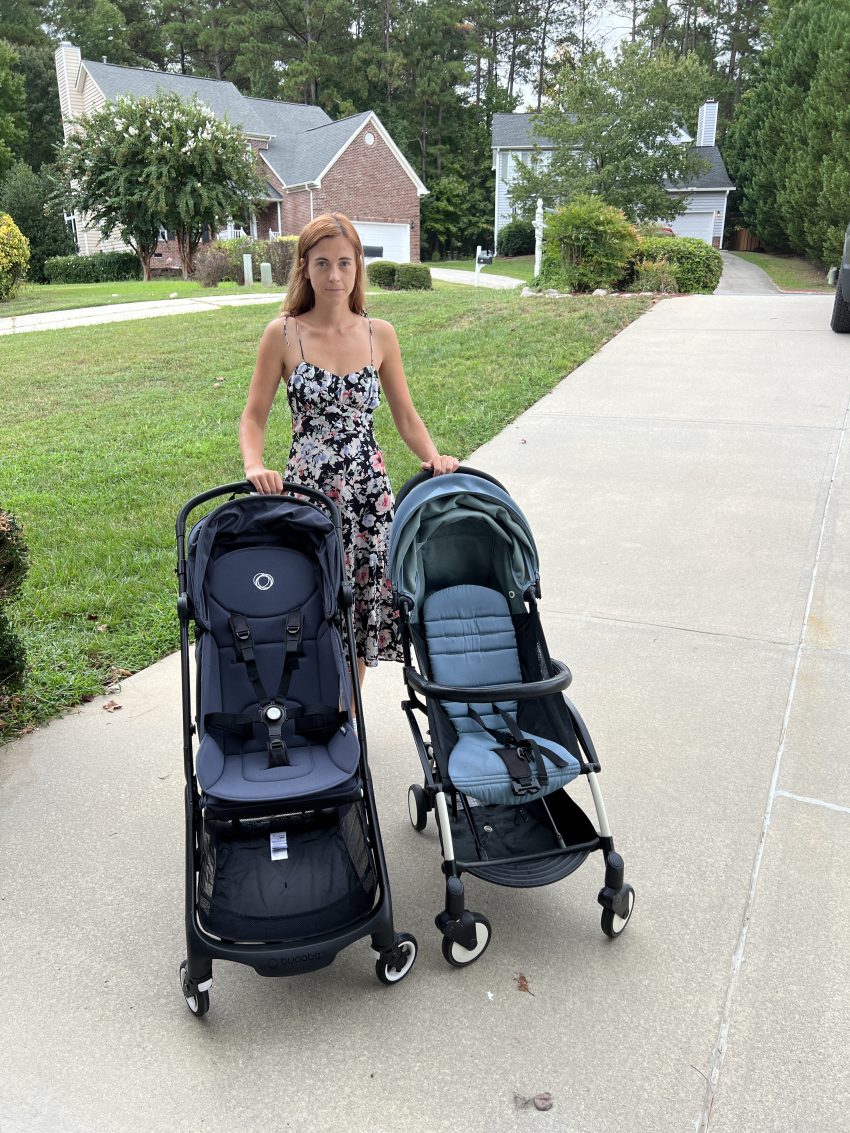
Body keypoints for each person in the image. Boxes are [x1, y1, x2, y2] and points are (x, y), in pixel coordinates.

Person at [239, 211, 459, 687]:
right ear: (305, 268)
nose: (333, 275)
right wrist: (255, 463)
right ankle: (309, 707)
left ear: (358, 266)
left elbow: (405, 416)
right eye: (322, 263)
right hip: (308, 496)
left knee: (362, 606)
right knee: (310, 602)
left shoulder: (380, 333)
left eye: (344, 262)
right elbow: (253, 416)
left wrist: (435, 457)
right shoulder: (283, 333)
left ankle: (348, 715)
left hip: (368, 495)